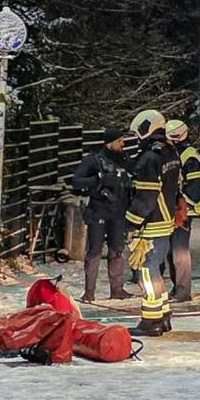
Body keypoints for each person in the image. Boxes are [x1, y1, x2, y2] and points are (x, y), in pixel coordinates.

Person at [123, 109, 179, 336]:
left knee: (146, 271)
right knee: (155, 269)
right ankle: (163, 315)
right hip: (165, 221)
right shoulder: (169, 152)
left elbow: (145, 196)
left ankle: (151, 320)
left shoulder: (149, 158)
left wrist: (131, 223)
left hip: (151, 222)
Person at [68, 125, 130, 302]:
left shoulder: (124, 159)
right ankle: (89, 292)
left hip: (119, 212)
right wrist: (98, 180)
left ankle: (117, 290)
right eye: (119, 140)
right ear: (110, 143)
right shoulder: (93, 160)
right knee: (94, 251)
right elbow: (76, 181)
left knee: (117, 250)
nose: (123, 143)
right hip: (99, 211)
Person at [166, 119, 200, 303]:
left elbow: (195, 186)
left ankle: (183, 291)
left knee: (179, 252)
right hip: (179, 208)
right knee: (173, 252)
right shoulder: (182, 153)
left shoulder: (188, 155)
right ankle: (178, 287)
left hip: (184, 210)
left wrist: (183, 201)